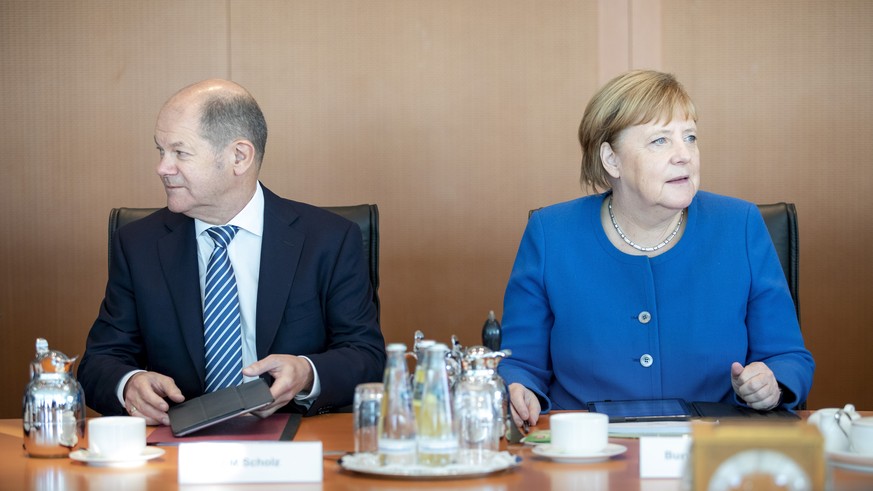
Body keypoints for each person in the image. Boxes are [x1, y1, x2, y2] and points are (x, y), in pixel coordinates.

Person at [498, 70, 814, 429]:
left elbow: (789, 357)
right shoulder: (551, 234)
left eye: (690, 137)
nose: (684, 156)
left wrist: (771, 383)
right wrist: (519, 387)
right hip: (589, 448)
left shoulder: (739, 224)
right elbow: (520, 363)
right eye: (660, 141)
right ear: (611, 160)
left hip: (711, 450)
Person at [77, 79, 386, 425]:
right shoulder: (139, 245)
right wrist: (128, 384)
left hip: (294, 437)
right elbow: (99, 362)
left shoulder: (329, 239)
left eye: (180, 152)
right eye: (160, 151)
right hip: (178, 446)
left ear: (239, 156)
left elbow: (367, 356)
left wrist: (306, 373)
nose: (162, 167)